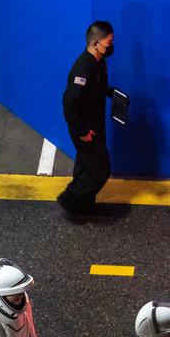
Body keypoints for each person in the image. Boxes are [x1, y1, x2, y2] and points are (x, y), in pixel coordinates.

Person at [57, 20, 115, 217]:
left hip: (96, 124)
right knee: (100, 170)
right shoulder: (82, 70)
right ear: (95, 44)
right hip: (85, 129)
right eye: (108, 43)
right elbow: (69, 103)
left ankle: (84, 207)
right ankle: (70, 199)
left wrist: (112, 93)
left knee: (85, 166)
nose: (111, 47)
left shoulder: (99, 63)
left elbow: (98, 87)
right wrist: (81, 131)